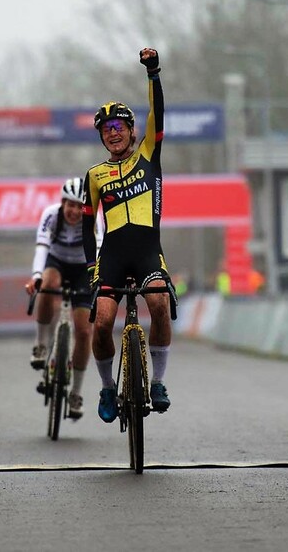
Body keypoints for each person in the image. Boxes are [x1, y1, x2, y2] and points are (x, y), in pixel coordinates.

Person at [80, 47, 175, 422]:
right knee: (102, 322)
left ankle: (159, 382)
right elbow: (88, 226)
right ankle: (106, 387)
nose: (113, 134)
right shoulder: (95, 175)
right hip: (113, 258)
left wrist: (153, 73)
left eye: (119, 128)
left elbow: (159, 114)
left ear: (133, 131)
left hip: (149, 251)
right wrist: (92, 267)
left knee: (159, 304)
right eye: (107, 131)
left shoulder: (149, 153)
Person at [23, 177, 95, 420]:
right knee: (48, 283)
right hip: (57, 262)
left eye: (79, 206)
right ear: (63, 203)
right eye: (70, 205)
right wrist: (35, 277)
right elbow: (42, 248)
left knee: (84, 331)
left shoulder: (95, 218)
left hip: (84, 267)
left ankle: (76, 393)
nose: (75, 211)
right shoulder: (51, 215)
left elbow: (102, 249)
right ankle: (42, 344)